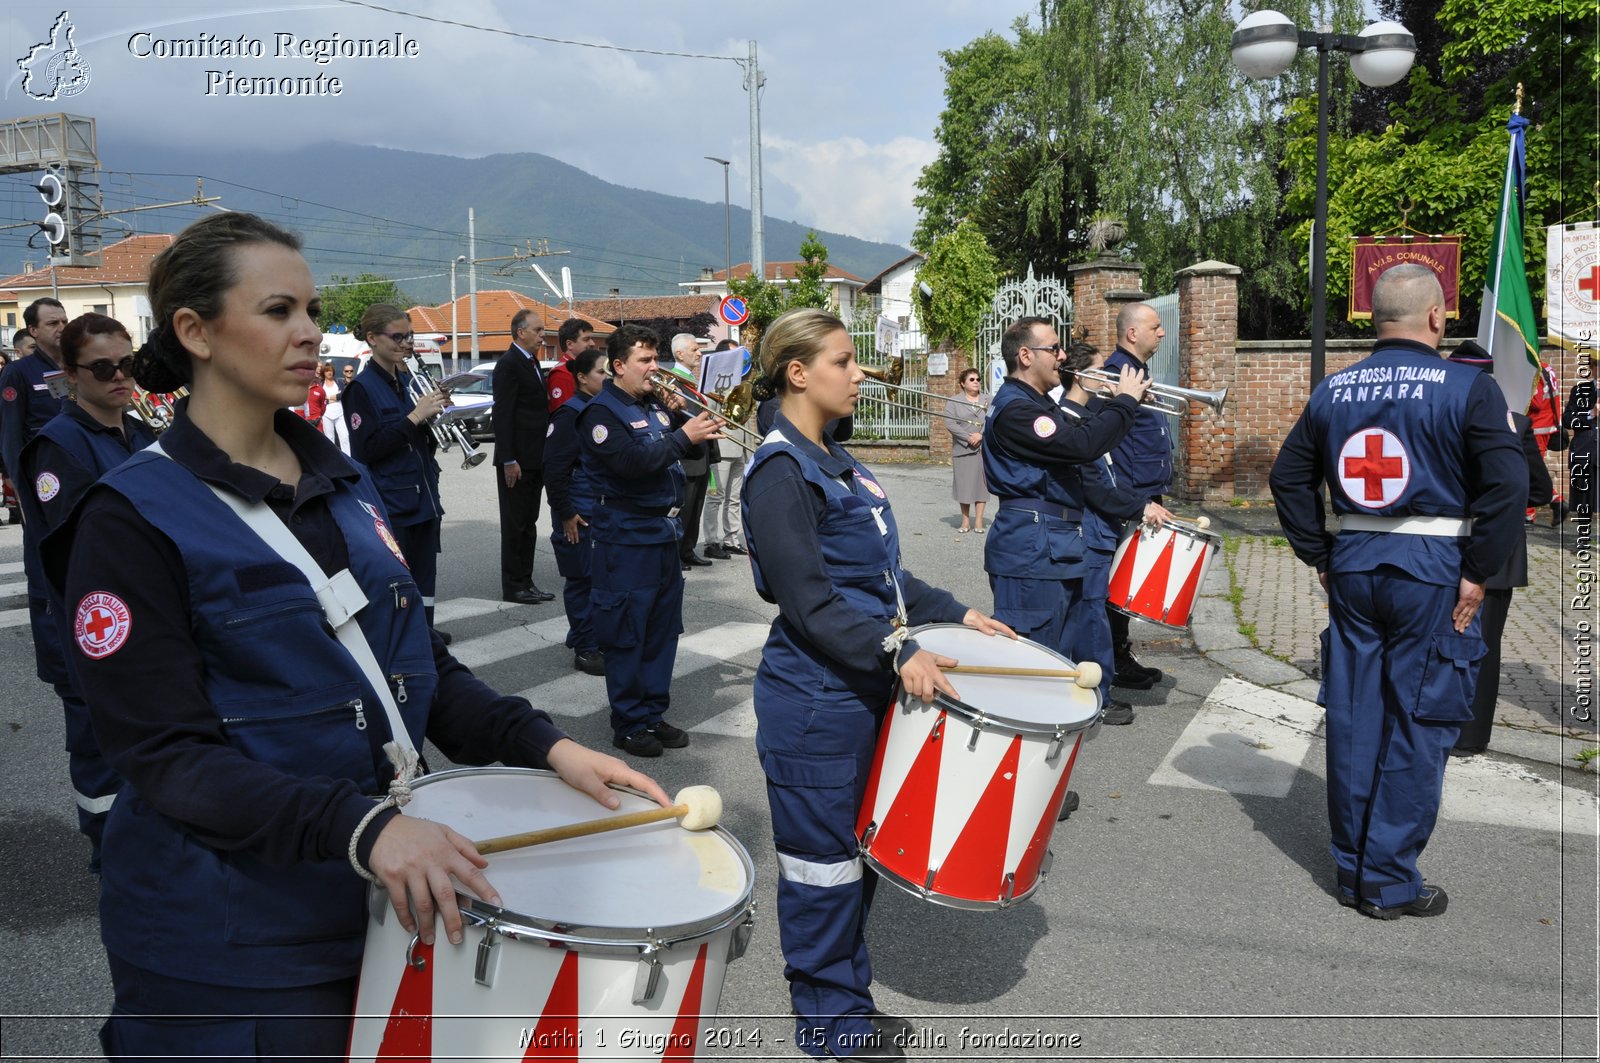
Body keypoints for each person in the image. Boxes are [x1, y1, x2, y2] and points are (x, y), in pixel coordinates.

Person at [43, 212, 667, 1060]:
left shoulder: (344, 482)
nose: (309, 334)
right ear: (194, 331)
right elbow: (164, 753)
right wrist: (364, 827)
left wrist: (546, 746)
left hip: (375, 904)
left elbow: (412, 660)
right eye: (278, 311)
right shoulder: (132, 517)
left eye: (311, 308)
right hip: (231, 944)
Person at [741, 307, 1016, 1063]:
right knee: (820, 872)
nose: (858, 372)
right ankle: (831, 1029)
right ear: (798, 373)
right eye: (842, 360)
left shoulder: (833, 457)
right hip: (815, 702)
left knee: (854, 860)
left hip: (859, 688)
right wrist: (896, 652)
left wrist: (959, 613)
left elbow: (882, 581)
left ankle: (847, 1008)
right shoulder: (779, 471)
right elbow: (809, 601)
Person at [1270, 264, 1525, 919]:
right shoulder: (1469, 386)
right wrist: (1480, 570)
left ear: (1374, 317)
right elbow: (1507, 484)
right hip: (1432, 569)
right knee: (1421, 721)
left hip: (1354, 564)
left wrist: (1320, 554)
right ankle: (1387, 880)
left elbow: (1287, 477)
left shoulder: (1333, 389)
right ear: (1436, 318)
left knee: (1356, 716)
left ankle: (1353, 870)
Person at [17, 313, 157, 868]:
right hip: (94, 626)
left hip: (146, 618)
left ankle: (149, 848)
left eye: (129, 364)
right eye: (103, 368)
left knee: (149, 740)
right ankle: (113, 856)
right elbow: (79, 554)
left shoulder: (141, 433)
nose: (120, 376)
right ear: (70, 374)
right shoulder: (58, 445)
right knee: (101, 751)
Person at [577, 324, 722, 757]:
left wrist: (681, 416)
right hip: (625, 538)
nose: (654, 368)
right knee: (627, 633)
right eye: (645, 360)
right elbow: (631, 463)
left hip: (661, 535)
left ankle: (652, 712)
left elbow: (695, 454)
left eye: (655, 359)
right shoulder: (601, 413)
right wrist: (681, 435)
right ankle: (628, 721)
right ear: (619, 366)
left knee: (661, 630)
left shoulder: (656, 407)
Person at [982, 315, 1146, 662]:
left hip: (1053, 543)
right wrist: (1125, 403)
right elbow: (1080, 445)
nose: (1062, 356)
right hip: (1033, 548)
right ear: (1026, 356)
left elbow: (1084, 442)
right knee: (1037, 660)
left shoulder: (1038, 405)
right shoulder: (1019, 410)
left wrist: (1119, 407)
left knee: (1062, 658)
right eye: (1054, 348)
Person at [1443, 342, 1553, 756]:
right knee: (1484, 647)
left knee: (1445, 637)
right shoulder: (1517, 424)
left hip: (1448, 544)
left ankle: (1438, 724)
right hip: (1499, 551)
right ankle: (1472, 738)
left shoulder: (1442, 417)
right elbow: (1539, 490)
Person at [1056, 341, 1170, 727]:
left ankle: (1096, 689)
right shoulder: (1069, 420)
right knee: (1090, 620)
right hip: (1088, 533)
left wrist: (1130, 403)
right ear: (1082, 376)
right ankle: (1097, 698)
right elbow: (1095, 487)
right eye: (1102, 371)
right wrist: (1140, 507)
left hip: (1099, 532)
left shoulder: (1089, 416)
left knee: (1092, 616)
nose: (1110, 377)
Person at [343, 305, 451, 639]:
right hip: (393, 502)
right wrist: (414, 417)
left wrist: (436, 420)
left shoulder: (406, 380)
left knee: (426, 578)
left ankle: (426, 632)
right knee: (400, 579)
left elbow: (418, 444)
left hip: (424, 496)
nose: (406, 343)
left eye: (410, 336)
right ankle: (406, 642)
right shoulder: (360, 389)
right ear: (373, 339)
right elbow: (368, 450)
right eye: (398, 336)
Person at [2, 299, 73, 732]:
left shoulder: (73, 366)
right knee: (43, 572)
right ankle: (56, 655)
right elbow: (10, 441)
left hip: (74, 483)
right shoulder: (18, 373)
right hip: (39, 489)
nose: (62, 328)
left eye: (65, 320)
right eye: (53, 322)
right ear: (33, 329)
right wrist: (23, 499)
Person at [1101, 302, 1174, 692]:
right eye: (1156, 326)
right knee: (1117, 584)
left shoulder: (1138, 373)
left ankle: (1118, 653)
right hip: (1130, 493)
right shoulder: (1116, 376)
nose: (1162, 333)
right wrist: (1135, 499)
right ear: (1133, 333)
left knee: (1126, 584)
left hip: (1146, 490)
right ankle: (1112, 659)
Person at [542, 346, 608, 677]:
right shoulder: (570, 414)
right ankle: (585, 648)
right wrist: (566, 512)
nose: (607, 378)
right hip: (578, 512)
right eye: (601, 372)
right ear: (581, 378)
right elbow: (554, 471)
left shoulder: (599, 408)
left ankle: (588, 636)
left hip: (598, 508)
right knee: (582, 581)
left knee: (600, 580)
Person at [492, 310, 555, 604]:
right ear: (521, 332)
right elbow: (503, 415)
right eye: (539, 330)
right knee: (515, 524)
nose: (543, 335)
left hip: (534, 457)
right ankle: (513, 585)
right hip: (516, 460)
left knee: (529, 523)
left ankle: (527, 581)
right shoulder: (508, 364)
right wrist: (508, 459)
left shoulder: (532, 361)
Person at [669, 332, 717, 568]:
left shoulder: (691, 381)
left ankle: (688, 549)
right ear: (680, 354)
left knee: (695, 506)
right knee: (684, 507)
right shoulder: (673, 381)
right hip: (687, 456)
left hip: (701, 454)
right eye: (694, 349)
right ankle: (676, 551)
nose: (699, 353)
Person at [702, 338, 749, 559]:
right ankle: (712, 541)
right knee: (715, 496)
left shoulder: (740, 382)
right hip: (719, 449)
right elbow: (707, 414)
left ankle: (731, 538)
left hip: (739, 448)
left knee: (734, 497)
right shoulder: (712, 383)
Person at [941, 366, 991, 533]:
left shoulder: (988, 400)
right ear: (963, 383)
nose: (976, 382)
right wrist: (968, 437)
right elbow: (949, 423)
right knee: (964, 485)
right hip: (963, 449)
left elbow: (992, 420)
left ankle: (978, 522)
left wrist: (981, 435)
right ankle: (964, 521)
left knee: (981, 486)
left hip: (983, 450)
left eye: (978, 379)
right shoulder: (954, 401)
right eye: (972, 379)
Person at [1564, 352, 1596, 520]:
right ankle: (1583, 539)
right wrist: (1590, 414)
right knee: (1584, 500)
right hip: (1585, 450)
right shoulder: (1579, 391)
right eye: (1598, 364)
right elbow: (1567, 420)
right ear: (1593, 367)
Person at [543, 317, 598, 413]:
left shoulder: (581, 368)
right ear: (570, 344)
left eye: (592, 338)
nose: (592, 343)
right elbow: (566, 414)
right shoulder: (561, 374)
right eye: (586, 339)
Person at [319, 361, 351, 454]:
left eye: (331, 371)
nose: (329, 372)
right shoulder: (321, 384)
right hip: (326, 415)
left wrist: (328, 398)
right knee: (330, 438)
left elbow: (342, 395)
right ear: (324, 373)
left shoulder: (339, 382)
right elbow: (321, 399)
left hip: (340, 414)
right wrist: (334, 398)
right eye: (327, 371)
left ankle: (348, 458)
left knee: (345, 436)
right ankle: (333, 459)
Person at [299, 360, 328, 428]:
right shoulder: (299, 387)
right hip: (303, 420)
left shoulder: (320, 388)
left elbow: (323, 406)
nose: (319, 369)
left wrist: (318, 417)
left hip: (316, 420)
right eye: (317, 367)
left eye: (320, 367)